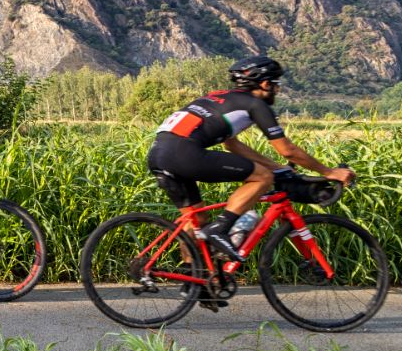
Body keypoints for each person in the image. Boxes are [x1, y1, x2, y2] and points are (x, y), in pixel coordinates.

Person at [146, 56, 355, 263]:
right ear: (265, 84)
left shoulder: (219, 97)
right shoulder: (256, 104)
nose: (277, 90)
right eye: (276, 85)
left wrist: (277, 167)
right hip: (184, 153)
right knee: (263, 178)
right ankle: (220, 228)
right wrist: (329, 172)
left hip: (158, 154)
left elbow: (232, 144)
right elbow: (287, 149)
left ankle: (194, 282)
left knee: (195, 220)